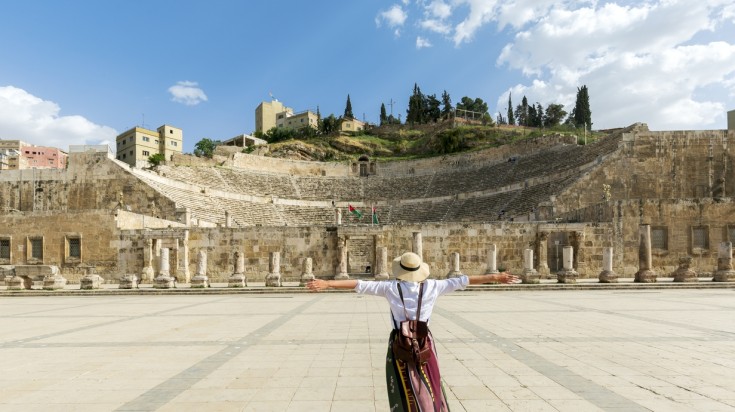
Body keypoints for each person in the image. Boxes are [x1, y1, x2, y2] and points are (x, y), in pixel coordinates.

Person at [307, 252, 519, 411]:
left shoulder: (390, 288)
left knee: (404, 382)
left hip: (400, 341)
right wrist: (497, 277)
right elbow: (465, 281)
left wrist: (327, 283)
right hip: (425, 341)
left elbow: (358, 284)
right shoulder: (434, 286)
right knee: (430, 379)